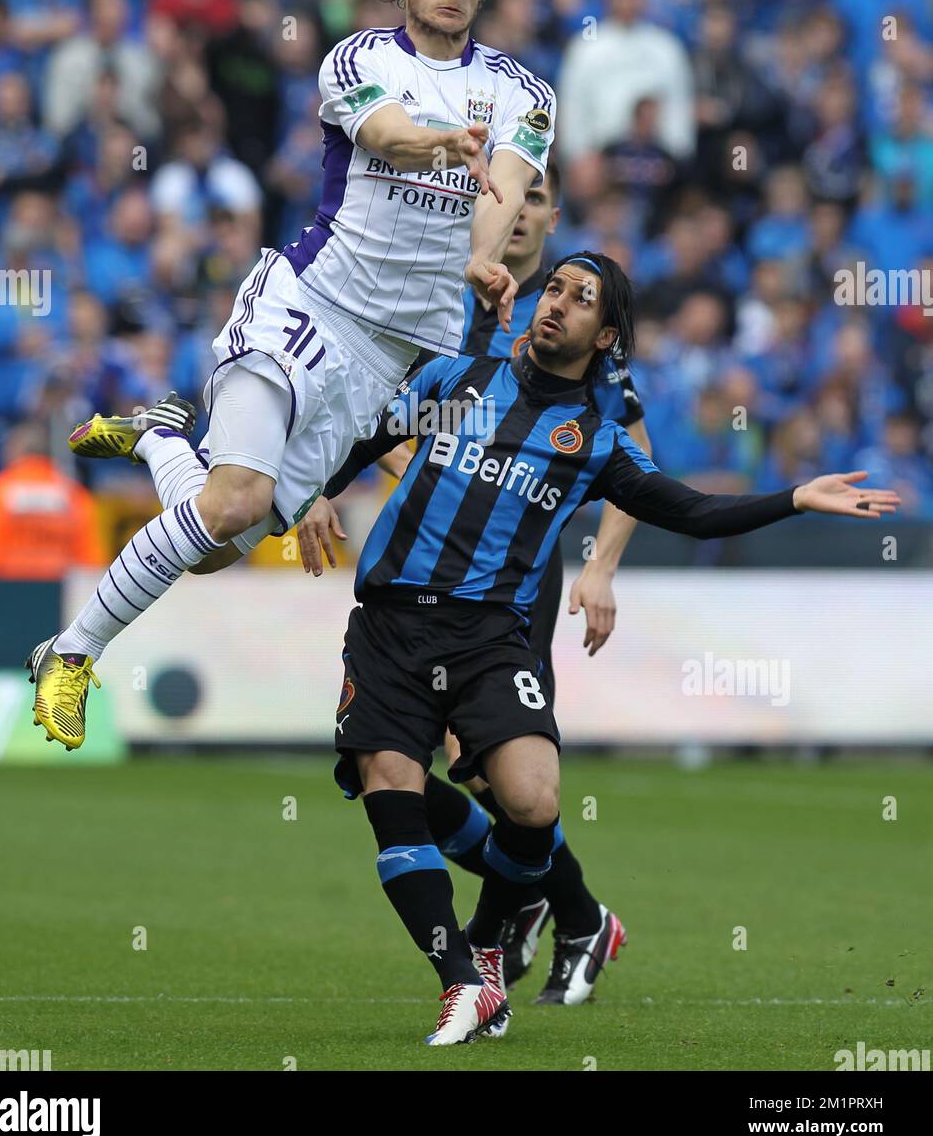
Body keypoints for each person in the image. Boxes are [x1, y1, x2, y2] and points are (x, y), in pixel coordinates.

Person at [304, 252, 898, 1045]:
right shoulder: (460, 378)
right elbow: (364, 434)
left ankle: (538, 918)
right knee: (389, 785)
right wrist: (311, 490)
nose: (556, 304)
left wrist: (795, 497)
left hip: (486, 635)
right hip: (388, 622)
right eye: (553, 288)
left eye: (579, 300)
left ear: (605, 334)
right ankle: (464, 982)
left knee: (532, 801)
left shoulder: (595, 440)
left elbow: (688, 510)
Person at [25, 0, 558, 749]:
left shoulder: (522, 91)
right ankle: (70, 654)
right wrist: (436, 142)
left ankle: (159, 437)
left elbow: (505, 185)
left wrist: (481, 257)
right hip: (305, 307)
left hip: (389, 359)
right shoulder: (356, 59)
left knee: (210, 543)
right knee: (235, 503)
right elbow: (385, 133)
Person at [302, 158, 654, 1008]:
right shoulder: (448, 299)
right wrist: (327, 476)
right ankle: (570, 912)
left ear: (553, 213)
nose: (522, 213)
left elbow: (632, 456)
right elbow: (397, 413)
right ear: (479, 206)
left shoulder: (573, 321)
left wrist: (603, 564)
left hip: (510, 580)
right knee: (430, 776)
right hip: (419, 567)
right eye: (509, 196)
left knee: (492, 771)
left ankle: (501, 939)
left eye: (537, 199)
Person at [0, 421, 104, 580]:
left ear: (15, 450)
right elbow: (90, 562)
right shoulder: (75, 496)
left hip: (6, 591)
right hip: (61, 594)